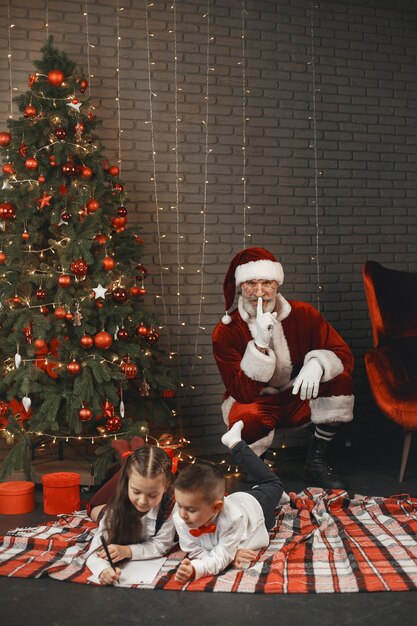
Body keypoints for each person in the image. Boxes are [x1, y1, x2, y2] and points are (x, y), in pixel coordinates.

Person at [212, 246, 354, 489]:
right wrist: (259, 344)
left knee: (340, 380)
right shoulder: (226, 330)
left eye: (266, 282)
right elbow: (242, 392)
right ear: (240, 287)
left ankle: (316, 462)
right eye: (250, 284)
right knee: (245, 413)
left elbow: (343, 356)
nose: (259, 292)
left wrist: (316, 364)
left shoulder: (303, 313)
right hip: (257, 402)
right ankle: (256, 464)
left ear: (277, 283)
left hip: (296, 396)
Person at [173, 420, 284, 582]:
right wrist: (228, 556)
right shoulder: (179, 516)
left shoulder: (232, 519)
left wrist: (197, 568)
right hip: (238, 507)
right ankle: (269, 494)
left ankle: (236, 443)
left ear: (216, 507)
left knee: (274, 484)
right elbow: (196, 550)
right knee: (269, 511)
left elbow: (221, 556)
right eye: (179, 505)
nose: (182, 514)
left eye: (190, 510)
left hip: (254, 507)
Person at [86, 445, 177, 585]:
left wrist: (128, 550)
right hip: (106, 503)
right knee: (93, 510)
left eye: (152, 495)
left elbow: (161, 545)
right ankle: (126, 464)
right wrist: (102, 570)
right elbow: (96, 547)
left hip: (133, 491)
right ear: (128, 483)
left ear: (165, 487)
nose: (143, 501)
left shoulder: (171, 506)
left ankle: (131, 457)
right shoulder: (115, 508)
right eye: (136, 491)